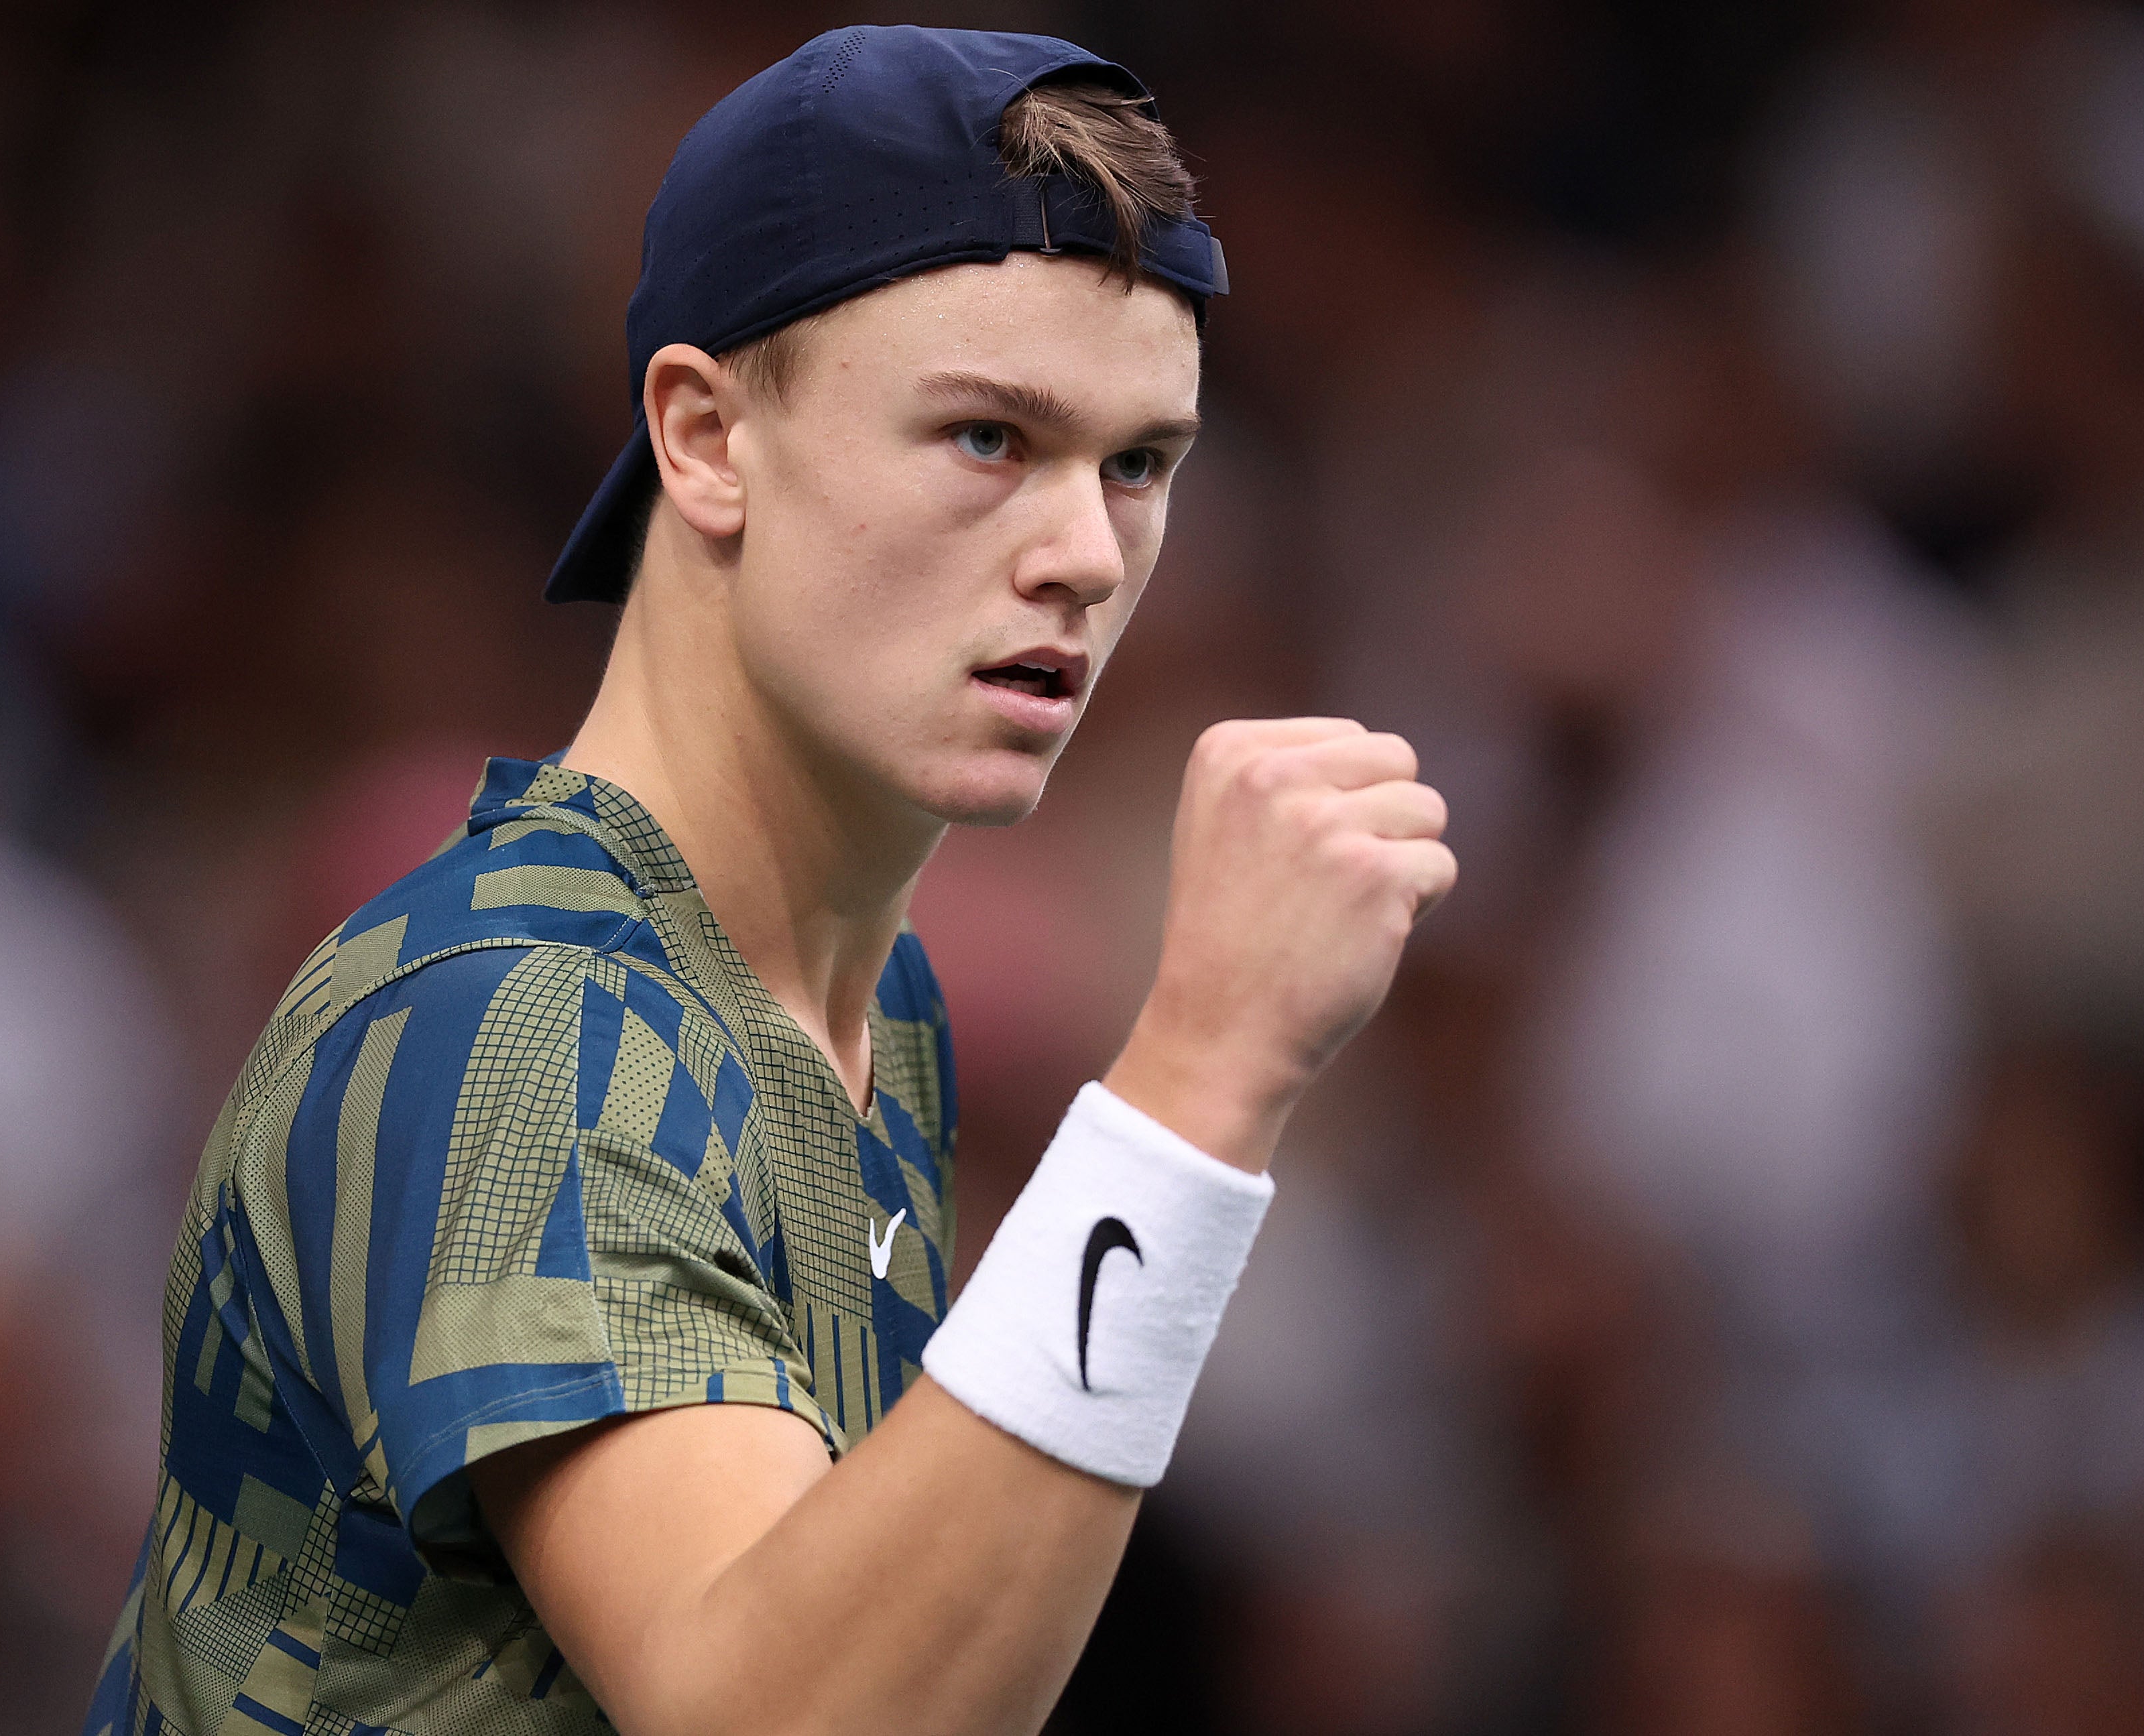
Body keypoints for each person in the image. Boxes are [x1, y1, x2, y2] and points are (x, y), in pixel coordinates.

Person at [80, 27, 1455, 1735]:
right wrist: (1199, 1078)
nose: (1086, 554)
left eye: (1137, 463)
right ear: (704, 437)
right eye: (985, 435)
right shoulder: (530, 1018)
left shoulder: (875, 1009)